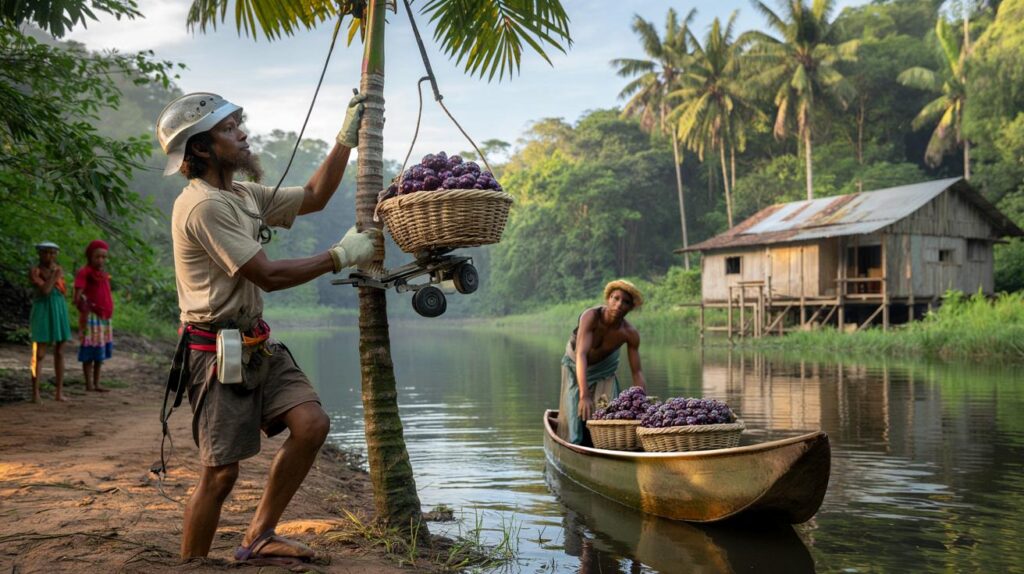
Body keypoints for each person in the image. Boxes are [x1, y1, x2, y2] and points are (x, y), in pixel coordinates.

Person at [156, 90, 378, 566]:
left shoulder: (241, 195)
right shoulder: (202, 206)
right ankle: (192, 565)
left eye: (238, 124)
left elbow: (314, 197)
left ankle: (258, 537)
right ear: (200, 148)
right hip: (214, 352)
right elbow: (269, 275)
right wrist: (340, 256)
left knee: (311, 424)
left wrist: (345, 139)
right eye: (229, 129)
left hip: (253, 340)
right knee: (220, 475)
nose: (242, 134)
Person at [557, 280, 647, 446]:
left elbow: (637, 372)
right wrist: (584, 395)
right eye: (615, 298)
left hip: (604, 370)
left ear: (631, 307)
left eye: (626, 302)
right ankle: (575, 445)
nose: (619, 305)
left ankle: (603, 446)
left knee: (608, 413)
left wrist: (642, 403)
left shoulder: (629, 333)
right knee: (574, 423)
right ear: (608, 298)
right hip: (575, 364)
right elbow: (581, 354)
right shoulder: (591, 316)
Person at [28, 241, 73, 403]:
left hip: (59, 308)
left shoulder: (58, 271)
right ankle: (35, 393)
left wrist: (56, 276)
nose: (49, 256)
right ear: (39, 254)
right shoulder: (35, 271)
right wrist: (54, 276)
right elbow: (45, 290)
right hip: (42, 309)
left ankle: (59, 392)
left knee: (60, 351)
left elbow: (62, 292)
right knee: (39, 353)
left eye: (53, 253)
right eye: (46, 252)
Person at [74, 239, 114, 392]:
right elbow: (77, 295)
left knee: (100, 351)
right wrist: (83, 305)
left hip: (104, 317)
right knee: (90, 349)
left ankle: (96, 383)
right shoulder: (84, 272)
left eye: (104, 257)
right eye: (97, 256)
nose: (101, 260)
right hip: (91, 317)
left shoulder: (103, 275)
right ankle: (88, 384)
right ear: (90, 256)